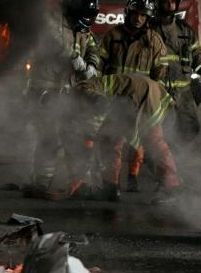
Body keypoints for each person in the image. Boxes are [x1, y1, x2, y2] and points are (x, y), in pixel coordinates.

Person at [23, 0, 100, 200]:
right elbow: (57, 44)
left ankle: (78, 182)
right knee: (49, 138)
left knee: (74, 137)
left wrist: (92, 64)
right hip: (45, 89)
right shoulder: (53, 24)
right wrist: (75, 58)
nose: (86, 23)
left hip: (69, 89)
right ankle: (40, 183)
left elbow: (93, 46)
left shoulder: (82, 29)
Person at [97, 0, 168, 194]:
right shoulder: (113, 36)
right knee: (112, 142)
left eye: (143, 15)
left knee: (154, 143)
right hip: (116, 100)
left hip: (143, 102)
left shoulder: (154, 41)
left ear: (148, 18)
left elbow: (160, 74)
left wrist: (155, 100)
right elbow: (100, 66)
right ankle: (111, 186)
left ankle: (169, 186)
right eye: (136, 13)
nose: (138, 18)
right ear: (129, 12)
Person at [72, 73, 179, 203]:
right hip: (129, 98)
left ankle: (171, 188)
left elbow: (92, 129)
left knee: (154, 142)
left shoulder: (89, 96)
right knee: (109, 139)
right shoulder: (84, 94)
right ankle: (110, 188)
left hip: (146, 96)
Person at [150, 0, 201, 144]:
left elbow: (197, 57)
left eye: (173, 1)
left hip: (183, 92)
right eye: (166, 1)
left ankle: (177, 159)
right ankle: (158, 161)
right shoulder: (148, 29)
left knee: (190, 129)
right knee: (157, 132)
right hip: (157, 91)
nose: (170, 4)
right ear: (157, 3)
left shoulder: (185, 30)